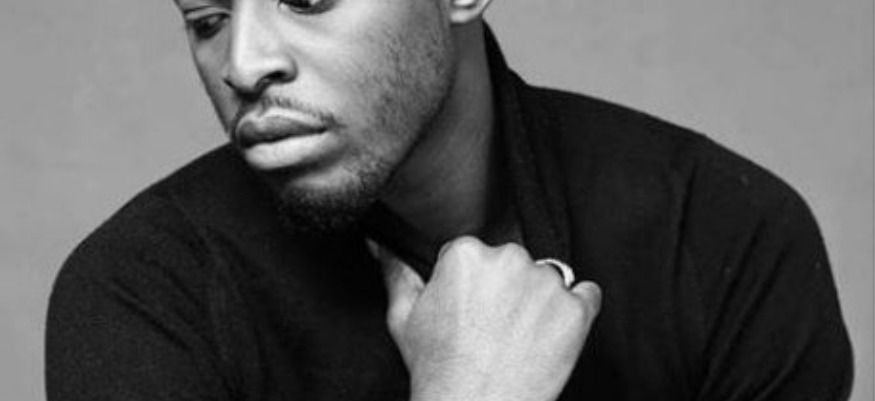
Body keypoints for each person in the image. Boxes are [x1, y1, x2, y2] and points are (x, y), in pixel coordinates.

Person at [46, 0, 853, 400]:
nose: (243, 63)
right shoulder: (143, 291)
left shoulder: (720, 232)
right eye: (206, 20)